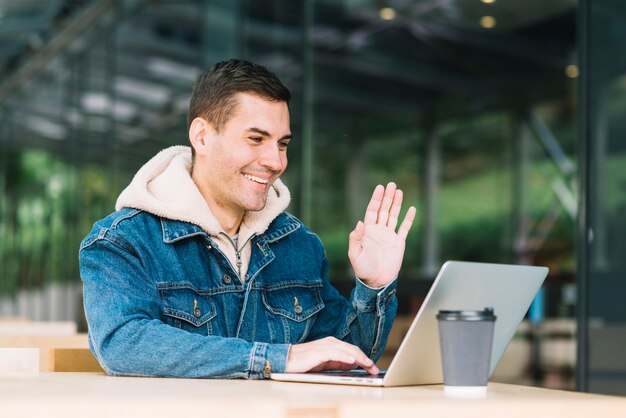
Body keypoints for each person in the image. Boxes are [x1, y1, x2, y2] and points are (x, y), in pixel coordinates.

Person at [79, 59, 417, 379]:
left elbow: (348, 357)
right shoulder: (121, 241)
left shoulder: (299, 245)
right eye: (256, 139)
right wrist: (277, 358)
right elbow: (123, 343)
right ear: (202, 136)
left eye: (282, 144)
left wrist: (374, 287)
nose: (275, 161)